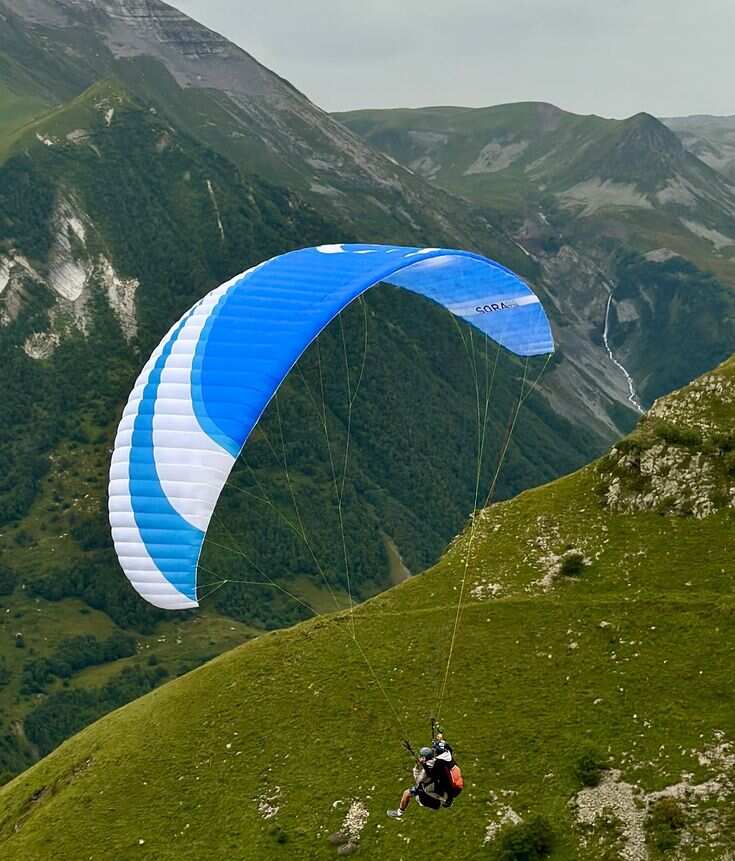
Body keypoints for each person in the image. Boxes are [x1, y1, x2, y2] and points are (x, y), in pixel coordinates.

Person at [387, 744, 453, 818]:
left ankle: (399, 812)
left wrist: (417, 766)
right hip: (436, 785)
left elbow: (418, 780)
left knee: (406, 793)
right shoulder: (436, 762)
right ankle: (444, 799)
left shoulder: (425, 771)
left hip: (428, 789)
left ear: (424, 758)